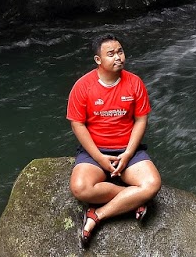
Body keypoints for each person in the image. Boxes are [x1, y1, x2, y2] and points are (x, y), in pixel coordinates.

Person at [66, 33, 162, 247]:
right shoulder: (83, 86)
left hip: (128, 149)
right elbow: (77, 124)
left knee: (152, 184)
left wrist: (128, 154)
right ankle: (134, 198)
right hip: (94, 150)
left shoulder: (135, 83)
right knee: (80, 188)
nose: (118, 57)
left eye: (120, 52)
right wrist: (100, 158)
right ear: (98, 59)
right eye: (111, 54)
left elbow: (141, 120)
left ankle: (96, 216)